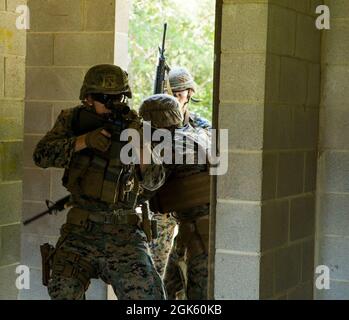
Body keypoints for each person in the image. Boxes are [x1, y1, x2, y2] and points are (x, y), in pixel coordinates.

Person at [32, 64, 166, 300]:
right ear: (88, 98)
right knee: (63, 291)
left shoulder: (136, 127)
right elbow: (41, 156)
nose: (113, 104)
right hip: (80, 233)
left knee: (148, 299)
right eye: (106, 98)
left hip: (124, 235)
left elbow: (155, 181)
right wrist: (84, 141)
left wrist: (140, 146)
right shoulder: (73, 120)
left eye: (119, 98)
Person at [139, 94, 211, 300]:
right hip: (192, 230)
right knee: (170, 287)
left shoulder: (169, 147)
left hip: (201, 236)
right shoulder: (195, 135)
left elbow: (146, 190)